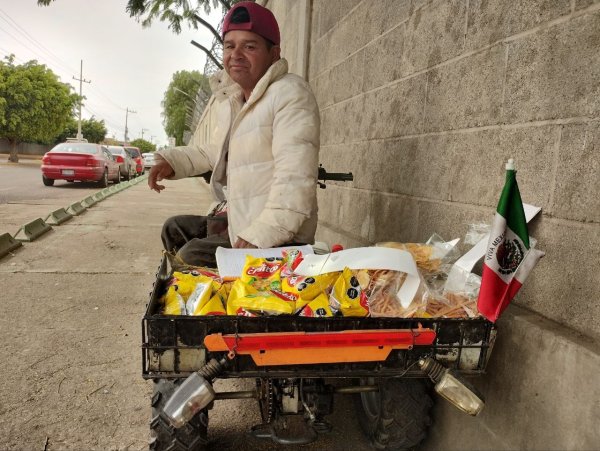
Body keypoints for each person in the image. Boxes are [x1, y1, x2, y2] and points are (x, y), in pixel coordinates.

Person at [149, 1, 320, 267]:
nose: (236, 54)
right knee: (174, 229)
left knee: (189, 258)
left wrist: (261, 234)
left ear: (273, 54)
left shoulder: (290, 94)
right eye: (229, 46)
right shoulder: (235, 99)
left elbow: (294, 178)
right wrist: (174, 161)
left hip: (279, 238)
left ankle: (217, 305)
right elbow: (214, 150)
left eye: (249, 46)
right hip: (242, 222)